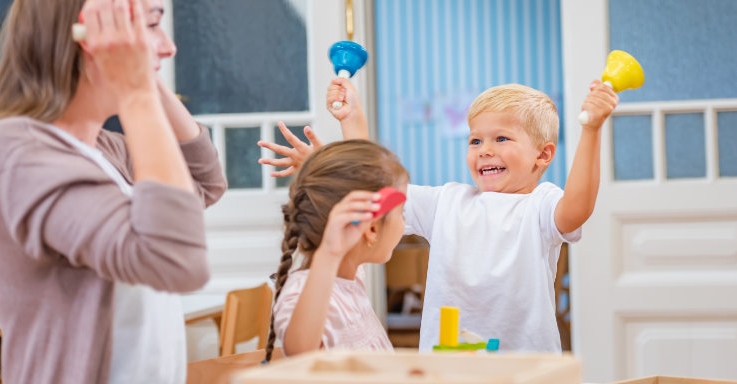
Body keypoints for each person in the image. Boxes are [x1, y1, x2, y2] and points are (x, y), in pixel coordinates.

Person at [0, 0, 227, 384]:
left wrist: (147, 79)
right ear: (89, 39)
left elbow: (203, 182)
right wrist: (135, 89)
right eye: (150, 25)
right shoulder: (17, 151)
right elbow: (176, 260)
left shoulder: (97, 147)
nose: (167, 45)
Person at [259, 77, 617, 353]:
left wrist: (591, 129)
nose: (485, 151)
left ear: (543, 156)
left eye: (502, 139)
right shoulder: (448, 201)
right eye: (475, 141)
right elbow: (378, 189)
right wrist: (350, 125)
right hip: (448, 372)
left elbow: (577, 208)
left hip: (526, 373)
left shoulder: (540, 205)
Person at [264, 139, 409, 361]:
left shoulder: (348, 279)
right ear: (371, 228)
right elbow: (300, 352)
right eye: (402, 212)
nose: (404, 222)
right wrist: (329, 253)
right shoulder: (304, 289)